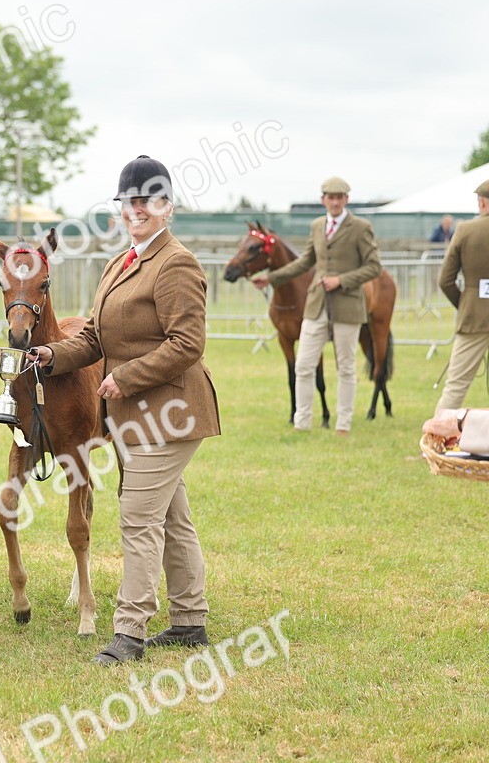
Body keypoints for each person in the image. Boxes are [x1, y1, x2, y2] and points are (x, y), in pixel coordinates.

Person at [29, 156, 220, 665]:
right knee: (173, 518)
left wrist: (124, 377)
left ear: (167, 208)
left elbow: (187, 343)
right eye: (128, 202)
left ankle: (129, 632)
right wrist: (49, 355)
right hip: (134, 416)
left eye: (147, 202)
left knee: (137, 519)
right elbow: (94, 337)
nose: (136, 210)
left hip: (171, 411)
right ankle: (189, 621)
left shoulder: (176, 264)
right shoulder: (122, 262)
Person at [252, 176, 382, 435]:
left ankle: (343, 423)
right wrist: (272, 278)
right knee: (303, 364)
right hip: (316, 304)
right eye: (330, 197)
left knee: (345, 366)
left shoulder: (361, 227)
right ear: (323, 200)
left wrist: (342, 280)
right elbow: (305, 261)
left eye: (339, 197)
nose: (334, 202)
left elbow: (373, 266)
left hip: (348, 304)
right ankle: (302, 422)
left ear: (347, 200)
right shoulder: (317, 226)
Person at [434, 180, 489, 412]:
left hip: (473, 318)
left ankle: (433, 444)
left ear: (482, 201)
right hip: (474, 314)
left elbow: (445, 280)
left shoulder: (465, 230)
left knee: (455, 387)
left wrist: (466, 303)